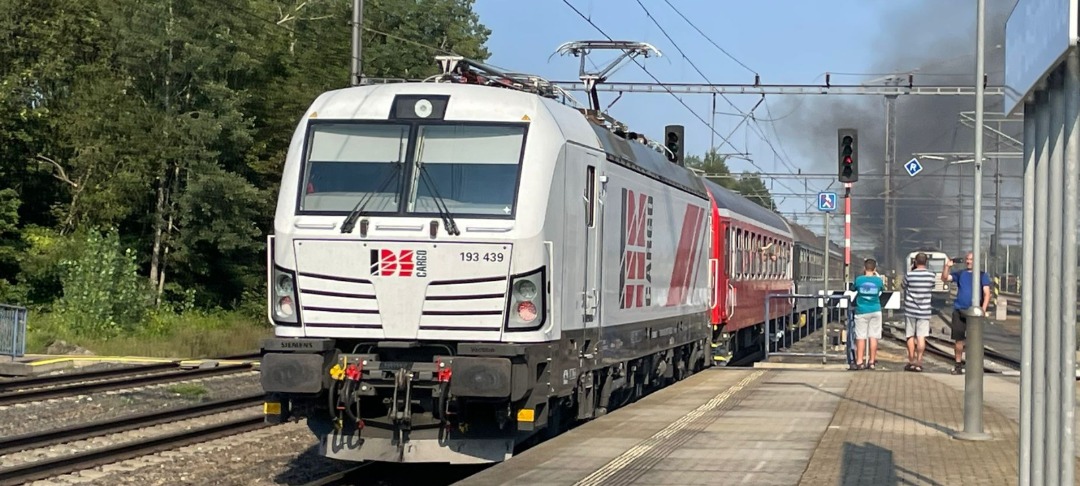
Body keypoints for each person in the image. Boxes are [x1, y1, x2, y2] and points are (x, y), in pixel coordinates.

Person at [940, 252, 992, 375]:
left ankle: (974, 365)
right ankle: (958, 364)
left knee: (974, 340)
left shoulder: (982, 275)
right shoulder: (960, 274)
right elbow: (945, 278)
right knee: (959, 340)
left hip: (974, 312)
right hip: (959, 310)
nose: (969, 262)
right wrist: (947, 266)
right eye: (967, 259)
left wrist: (983, 310)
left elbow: (987, 293)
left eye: (971, 259)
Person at [902, 253, 936, 372]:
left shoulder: (909, 275)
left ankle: (911, 361)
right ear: (926, 262)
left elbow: (903, 286)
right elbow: (933, 286)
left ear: (915, 262)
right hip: (925, 311)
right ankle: (919, 362)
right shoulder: (931, 276)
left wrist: (912, 270)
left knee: (910, 335)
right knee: (921, 337)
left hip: (910, 310)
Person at [851, 258, 885, 370]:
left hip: (861, 311)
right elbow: (882, 289)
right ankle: (871, 361)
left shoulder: (859, 280)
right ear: (875, 269)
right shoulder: (878, 280)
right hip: (875, 310)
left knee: (860, 337)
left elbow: (853, 288)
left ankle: (859, 361)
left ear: (864, 268)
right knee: (874, 337)